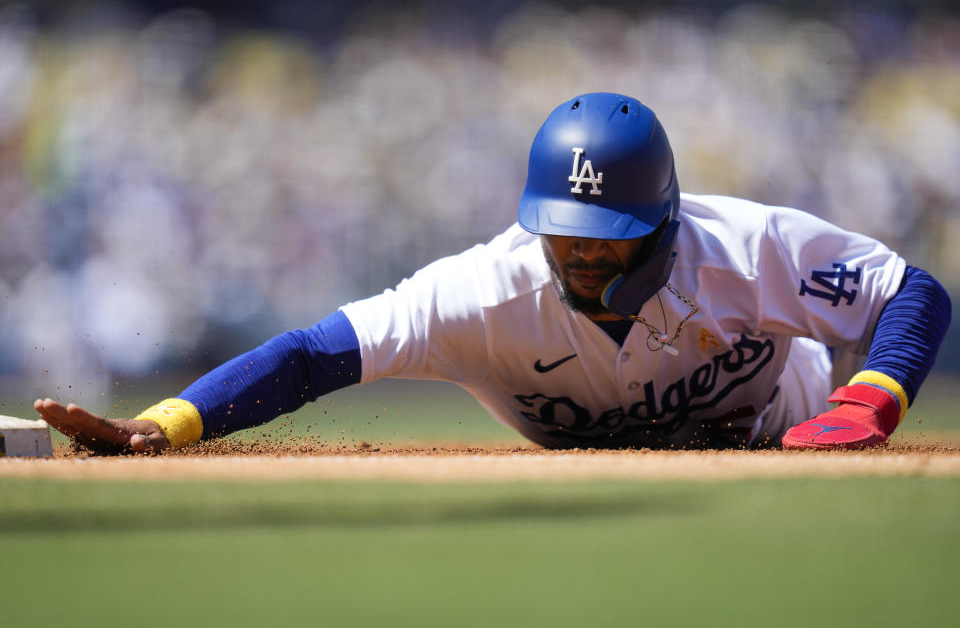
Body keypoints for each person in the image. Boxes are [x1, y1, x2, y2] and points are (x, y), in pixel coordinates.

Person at [35, 92, 951, 453]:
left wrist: (866, 400)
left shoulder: (746, 247)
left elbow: (913, 289)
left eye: (613, 233)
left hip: (776, 422)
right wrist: (163, 424)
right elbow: (317, 353)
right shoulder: (482, 293)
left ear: (668, 223)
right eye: (568, 232)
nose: (587, 253)